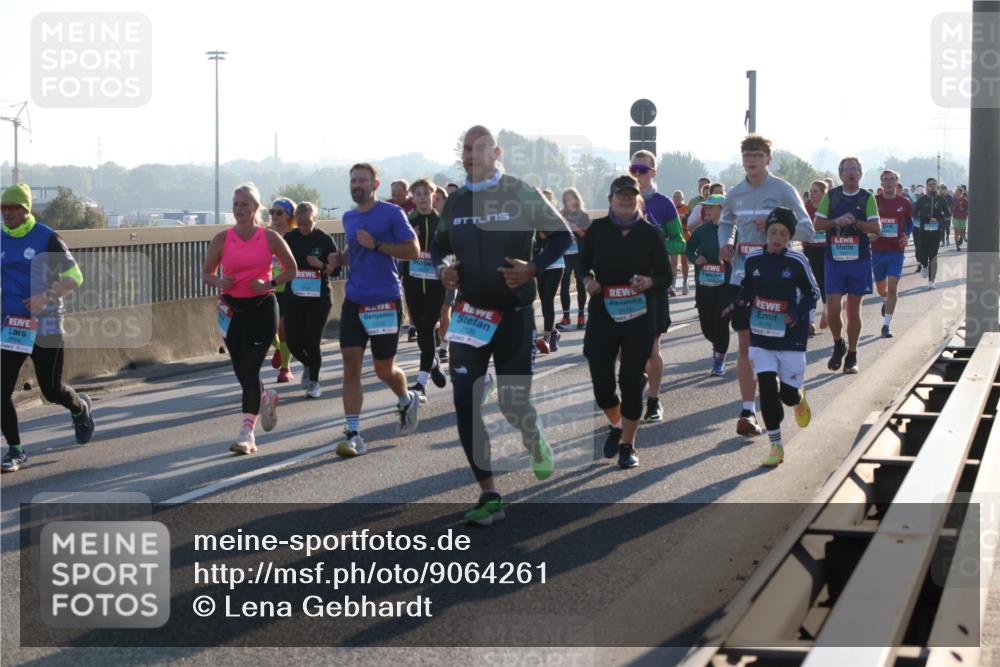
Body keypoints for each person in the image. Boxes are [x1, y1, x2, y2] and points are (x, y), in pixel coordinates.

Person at [432, 125, 571, 526]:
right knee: (465, 401)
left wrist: (533, 268)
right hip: (470, 314)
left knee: (512, 402)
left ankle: (533, 436)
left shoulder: (518, 191)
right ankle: (489, 494)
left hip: (514, 313)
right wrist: (444, 269)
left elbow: (562, 236)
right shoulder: (456, 201)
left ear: (496, 153)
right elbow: (439, 245)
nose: (469, 155)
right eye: (465, 149)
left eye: (478, 149)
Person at [718, 134, 814, 437]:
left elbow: (808, 230)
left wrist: (777, 228)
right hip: (743, 278)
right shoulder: (735, 193)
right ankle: (748, 411)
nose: (752, 160)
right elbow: (725, 222)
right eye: (747, 155)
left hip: (779, 283)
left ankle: (793, 392)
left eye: (758, 155)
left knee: (774, 347)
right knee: (745, 346)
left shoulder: (783, 190)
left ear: (768, 160)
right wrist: (725, 242)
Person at [327, 163, 421, 457]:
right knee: (351, 365)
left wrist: (378, 244)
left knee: (383, 369)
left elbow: (413, 251)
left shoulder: (392, 214)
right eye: (353, 180)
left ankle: (406, 398)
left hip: (385, 300)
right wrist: (339, 259)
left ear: (375, 184)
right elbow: (355, 253)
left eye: (362, 180)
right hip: (355, 300)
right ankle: (353, 433)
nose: (357, 185)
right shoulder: (349, 217)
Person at [1, 183, 95, 473]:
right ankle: (15, 450)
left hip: (47, 323)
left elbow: (75, 276)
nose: (6, 213)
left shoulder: (46, 237)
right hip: (13, 325)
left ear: (26, 209)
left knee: (51, 390)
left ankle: (79, 407)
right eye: (3, 208)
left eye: (12, 208)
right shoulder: (1, 237)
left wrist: (46, 296)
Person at [579, 174, 670, 469]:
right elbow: (582, 263)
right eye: (621, 195)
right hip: (603, 315)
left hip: (638, 317)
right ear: (611, 200)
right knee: (603, 387)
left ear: (638, 199)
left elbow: (665, 276)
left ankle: (628, 445)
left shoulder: (649, 233)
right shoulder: (598, 230)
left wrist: (649, 281)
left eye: (632, 195)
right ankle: (617, 424)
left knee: (630, 384)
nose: (626, 200)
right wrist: (588, 280)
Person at [202, 183, 296, 454]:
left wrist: (269, 283)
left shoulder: (269, 238)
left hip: (262, 309)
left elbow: (291, 269)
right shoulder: (222, 239)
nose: (239, 209)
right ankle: (265, 397)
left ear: (256, 208)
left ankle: (247, 434)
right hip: (232, 312)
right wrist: (218, 281)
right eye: (236, 204)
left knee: (251, 369)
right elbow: (206, 273)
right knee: (242, 371)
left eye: (245, 204)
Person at [723, 207, 818, 466]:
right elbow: (747, 288)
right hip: (761, 334)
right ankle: (776, 445)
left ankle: (798, 398)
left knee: (787, 395)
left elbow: (812, 294)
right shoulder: (753, 259)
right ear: (766, 233)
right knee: (765, 387)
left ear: (790, 237)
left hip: (790, 337)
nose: (777, 238)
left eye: (783, 234)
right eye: (773, 232)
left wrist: (795, 313)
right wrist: (737, 303)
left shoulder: (797, 260)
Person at [629, 150, 683, 423]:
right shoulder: (622, 200)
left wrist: (657, 244)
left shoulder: (663, 204)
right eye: (633, 169)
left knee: (652, 349)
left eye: (643, 169)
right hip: (625, 287)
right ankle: (638, 375)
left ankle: (653, 400)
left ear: (653, 172)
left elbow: (679, 242)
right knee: (622, 349)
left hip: (655, 285)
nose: (637, 174)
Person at [814, 157, 880, 374]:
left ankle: (852, 355)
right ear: (840, 174)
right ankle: (838, 343)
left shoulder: (867, 197)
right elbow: (817, 224)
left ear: (860, 174)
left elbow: (876, 228)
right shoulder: (831, 196)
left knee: (853, 310)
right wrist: (837, 221)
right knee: (833, 309)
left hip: (859, 259)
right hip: (834, 260)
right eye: (847, 170)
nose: (851, 173)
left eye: (855, 170)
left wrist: (855, 222)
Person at [282, 201, 340, 398]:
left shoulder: (324, 239)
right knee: (292, 341)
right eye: (299, 223)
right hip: (295, 296)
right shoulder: (289, 238)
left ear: (315, 219)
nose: (303, 227)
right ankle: (309, 364)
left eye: (307, 223)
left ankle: (314, 383)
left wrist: (320, 264)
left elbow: (336, 271)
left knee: (312, 341)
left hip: (319, 298)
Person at [402, 178, 448, 402]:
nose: (422, 198)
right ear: (413, 198)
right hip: (412, 283)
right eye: (417, 194)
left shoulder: (443, 222)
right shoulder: (407, 221)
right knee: (421, 330)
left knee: (428, 326)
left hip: (435, 284)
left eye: (425, 193)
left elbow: (451, 249)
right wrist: (410, 237)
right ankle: (434, 362)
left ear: (434, 196)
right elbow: (397, 249)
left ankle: (422, 381)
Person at [685, 194, 735, 376]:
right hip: (705, 283)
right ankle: (717, 344)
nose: (706, 209)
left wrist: (731, 258)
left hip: (726, 284)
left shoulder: (734, 230)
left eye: (711, 207)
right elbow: (688, 249)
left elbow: (742, 254)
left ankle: (719, 359)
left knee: (722, 322)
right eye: (706, 206)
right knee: (707, 326)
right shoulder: (702, 230)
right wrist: (695, 258)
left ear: (722, 209)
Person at [872, 170, 912, 339]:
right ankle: (884, 299)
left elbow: (909, 222)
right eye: (885, 180)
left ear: (897, 182)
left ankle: (886, 325)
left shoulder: (904, 202)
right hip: (878, 250)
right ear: (881, 183)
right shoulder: (874, 201)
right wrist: (870, 233)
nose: (889, 182)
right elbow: (867, 221)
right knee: (881, 288)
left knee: (893, 286)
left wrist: (907, 235)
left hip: (896, 250)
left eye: (892, 179)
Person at [268, 197, 296, 383]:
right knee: (268, 329)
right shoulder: (265, 234)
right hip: (267, 286)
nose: (275, 216)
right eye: (272, 212)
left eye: (279, 213)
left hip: (288, 287)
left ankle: (285, 368)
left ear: (289, 216)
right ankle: (278, 348)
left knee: (283, 328)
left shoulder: (294, 236)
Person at [535, 189, 566, 353]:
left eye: (547, 200)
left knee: (548, 299)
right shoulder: (533, 219)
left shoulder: (557, 219)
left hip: (556, 265)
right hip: (539, 266)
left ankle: (546, 338)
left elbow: (564, 239)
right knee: (543, 300)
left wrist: (546, 234)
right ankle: (554, 333)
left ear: (552, 202)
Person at [559, 187, 592, 330]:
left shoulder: (583, 216)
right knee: (564, 286)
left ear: (576, 199)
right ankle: (566, 317)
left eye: (571, 198)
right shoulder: (561, 215)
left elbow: (587, 235)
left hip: (579, 255)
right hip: (565, 255)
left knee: (580, 286)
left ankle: (581, 316)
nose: (569, 202)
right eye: (566, 200)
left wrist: (573, 226)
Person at [913, 177, 950, 289]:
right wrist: (924, 217)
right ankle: (924, 265)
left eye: (934, 184)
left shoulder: (941, 200)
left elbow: (948, 214)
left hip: (936, 232)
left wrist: (939, 217)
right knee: (923, 254)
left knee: (933, 256)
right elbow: (914, 213)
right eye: (930, 184)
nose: (932, 186)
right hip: (923, 231)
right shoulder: (922, 200)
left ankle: (931, 280)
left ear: (937, 186)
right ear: (927, 186)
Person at [802, 180, 829, 335]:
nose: (812, 194)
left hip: (826, 250)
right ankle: (810, 320)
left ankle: (826, 312)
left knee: (824, 282)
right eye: (811, 191)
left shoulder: (829, 209)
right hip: (810, 250)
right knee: (810, 283)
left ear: (823, 193)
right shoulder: (806, 209)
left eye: (815, 191)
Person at [672, 189, 692, 295]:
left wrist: (681, 217)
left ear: (682, 198)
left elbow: (690, 220)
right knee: (673, 263)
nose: (676, 198)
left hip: (685, 236)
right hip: (673, 237)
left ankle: (685, 282)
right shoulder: (670, 208)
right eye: (675, 196)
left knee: (684, 262)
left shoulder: (686, 208)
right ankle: (673, 284)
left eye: (678, 196)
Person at [952, 185, 968, 251]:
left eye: (957, 192)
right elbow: (951, 207)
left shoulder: (965, 200)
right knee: (956, 231)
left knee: (962, 231)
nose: (956, 193)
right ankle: (957, 246)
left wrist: (963, 209)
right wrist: (953, 209)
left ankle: (962, 238)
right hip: (955, 217)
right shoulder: (953, 199)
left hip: (963, 217)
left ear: (961, 193)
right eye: (956, 192)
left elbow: (967, 208)